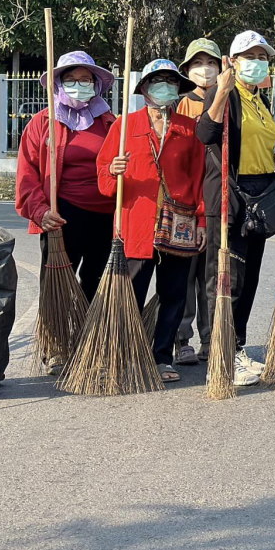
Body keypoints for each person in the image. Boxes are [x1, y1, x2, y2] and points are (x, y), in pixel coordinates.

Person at [196, 30, 275, 388]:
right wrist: (221, 90)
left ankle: (236, 347)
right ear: (233, 61)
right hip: (229, 196)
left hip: (260, 196)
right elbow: (206, 133)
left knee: (249, 279)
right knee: (226, 278)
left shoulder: (259, 100)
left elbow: (262, 145)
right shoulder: (226, 94)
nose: (257, 63)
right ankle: (216, 351)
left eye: (262, 57)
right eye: (249, 56)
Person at [97, 59, 206, 383]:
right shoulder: (124, 127)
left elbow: (199, 177)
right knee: (129, 294)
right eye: (157, 81)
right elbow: (104, 179)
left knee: (174, 294)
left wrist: (201, 221)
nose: (164, 87)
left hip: (180, 224)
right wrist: (114, 171)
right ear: (144, 89)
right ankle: (126, 354)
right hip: (137, 224)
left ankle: (162, 357)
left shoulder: (189, 128)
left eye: (170, 82)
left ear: (177, 89)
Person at [15, 52, 117, 317]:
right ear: (58, 85)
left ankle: (89, 341)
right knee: (57, 283)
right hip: (61, 214)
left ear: (96, 85)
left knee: (97, 283)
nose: (78, 85)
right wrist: (40, 212)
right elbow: (27, 176)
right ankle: (55, 341)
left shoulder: (111, 124)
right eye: (70, 79)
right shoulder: (43, 123)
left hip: (105, 214)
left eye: (85, 80)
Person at [173, 38, 222, 365]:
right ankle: (181, 339)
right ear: (188, 71)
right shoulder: (182, 104)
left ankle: (210, 338)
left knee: (211, 275)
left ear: (221, 68)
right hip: (187, 198)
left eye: (210, 63)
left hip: (217, 198)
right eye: (197, 64)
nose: (204, 70)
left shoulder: (228, 100)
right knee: (183, 274)